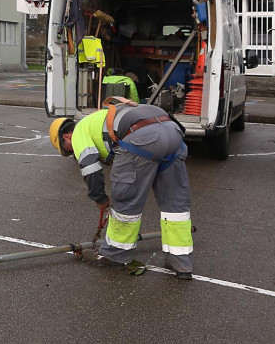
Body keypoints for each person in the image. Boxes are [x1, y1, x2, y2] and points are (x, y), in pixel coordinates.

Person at [48, 101, 193, 280]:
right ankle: (181, 262)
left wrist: (99, 198)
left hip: (142, 138)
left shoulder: (79, 131)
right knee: (175, 205)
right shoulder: (98, 119)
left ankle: (113, 255)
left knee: (126, 199)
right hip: (173, 132)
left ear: (66, 136)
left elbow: (90, 168)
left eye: (68, 149)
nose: (73, 153)